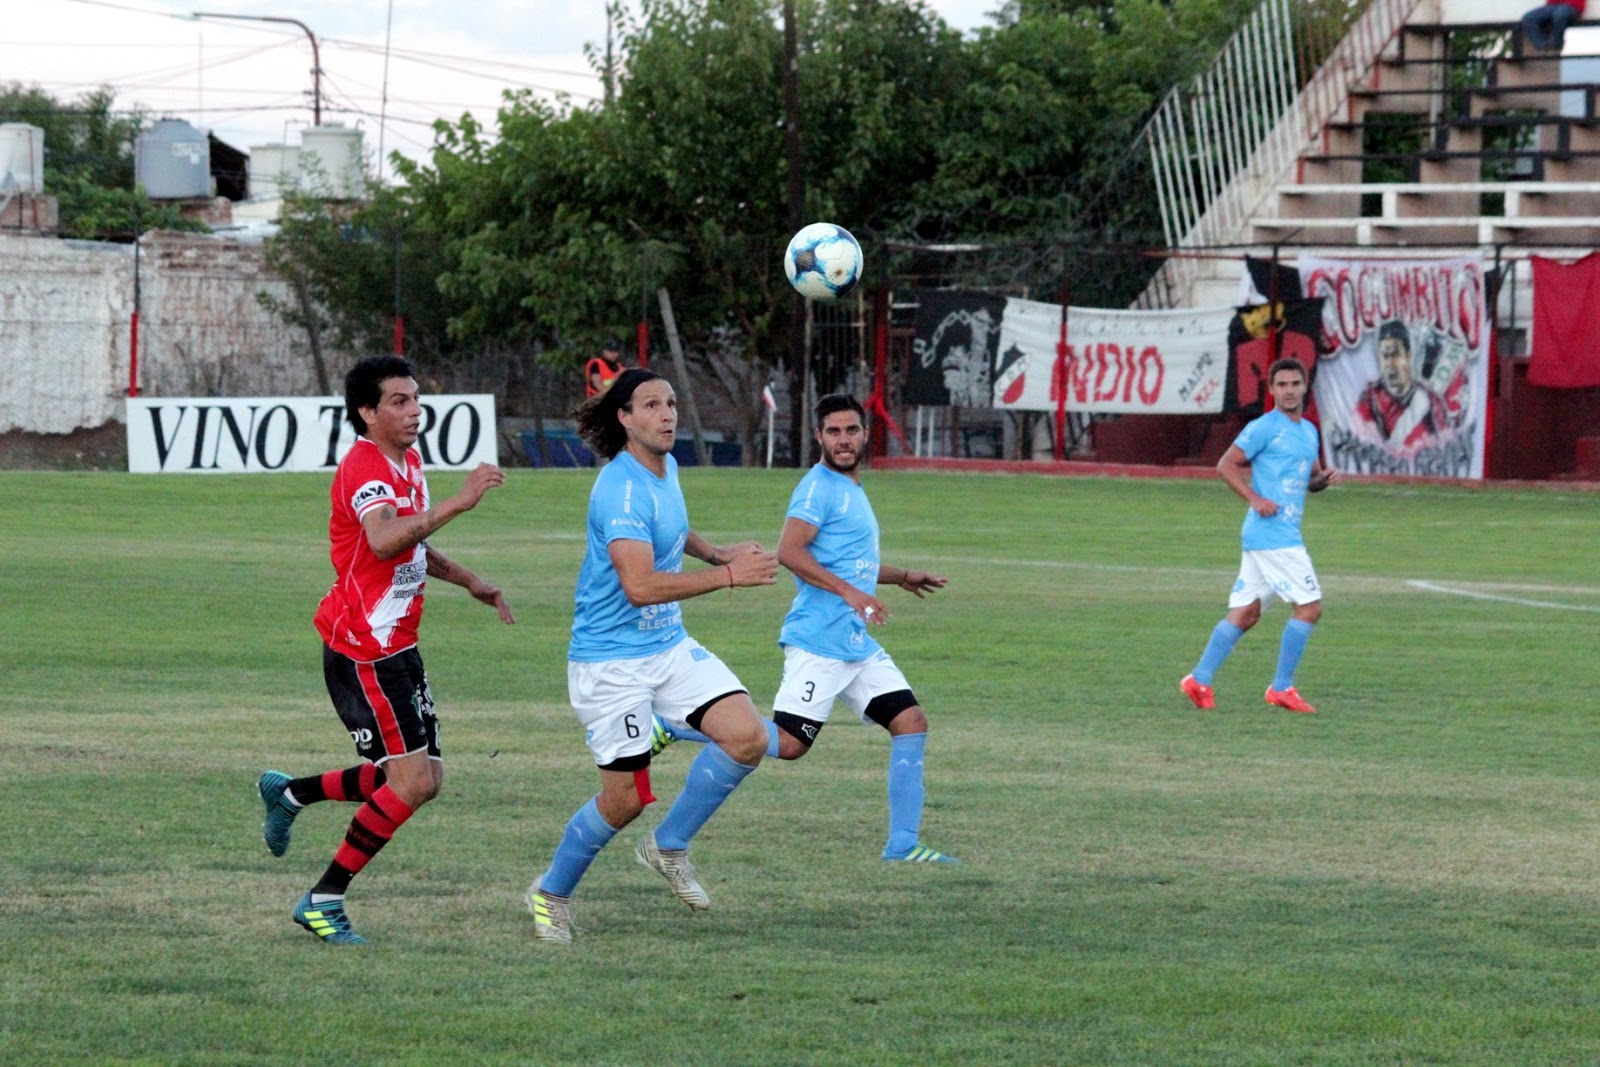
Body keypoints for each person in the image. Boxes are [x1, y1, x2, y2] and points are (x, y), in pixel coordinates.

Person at [256, 354, 515, 945]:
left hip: (398, 647)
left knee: (421, 777)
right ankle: (323, 900)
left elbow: (410, 547)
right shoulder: (365, 468)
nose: (413, 410)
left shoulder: (410, 461)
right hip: (363, 651)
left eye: (416, 398)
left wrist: (469, 579)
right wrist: (459, 502)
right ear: (366, 412)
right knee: (410, 782)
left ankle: (290, 792)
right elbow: (380, 541)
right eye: (398, 401)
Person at [524, 368, 778, 945]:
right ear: (625, 418)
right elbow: (639, 585)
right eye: (651, 406)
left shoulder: (666, 468)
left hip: (666, 646)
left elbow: (672, 529)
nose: (667, 415)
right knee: (626, 798)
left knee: (748, 737)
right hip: (610, 664)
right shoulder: (620, 490)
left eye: (670, 403)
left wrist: (716, 553)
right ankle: (551, 893)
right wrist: (730, 578)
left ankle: (668, 847)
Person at [654, 394, 958, 863]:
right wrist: (848, 593)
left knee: (911, 722)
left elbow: (852, 562)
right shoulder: (817, 488)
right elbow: (791, 551)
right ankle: (678, 724)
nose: (843, 440)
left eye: (851, 431)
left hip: (854, 643)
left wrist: (901, 577)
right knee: (790, 744)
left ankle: (902, 844)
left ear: (863, 434)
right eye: (833, 432)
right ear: (819, 437)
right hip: (820, 642)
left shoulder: (850, 488)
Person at [1181, 358, 1340, 714]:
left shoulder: (1309, 432)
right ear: (1271, 390)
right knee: (1310, 607)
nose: (1288, 391)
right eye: (1281, 385)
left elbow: (1309, 479)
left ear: (1304, 387)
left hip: (1269, 536)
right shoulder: (1264, 428)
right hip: (1274, 535)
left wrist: (1322, 481)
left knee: (1247, 612)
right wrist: (1255, 498)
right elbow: (1226, 464)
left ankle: (1198, 679)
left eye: (1294, 384)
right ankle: (1281, 688)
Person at [1353, 319, 1452, 451]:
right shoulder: (1369, 399)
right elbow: (1359, 440)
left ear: (1409, 356)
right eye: (1385, 356)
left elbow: (1446, 447)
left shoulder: (1431, 402)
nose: (1390, 363)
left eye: (1395, 354)